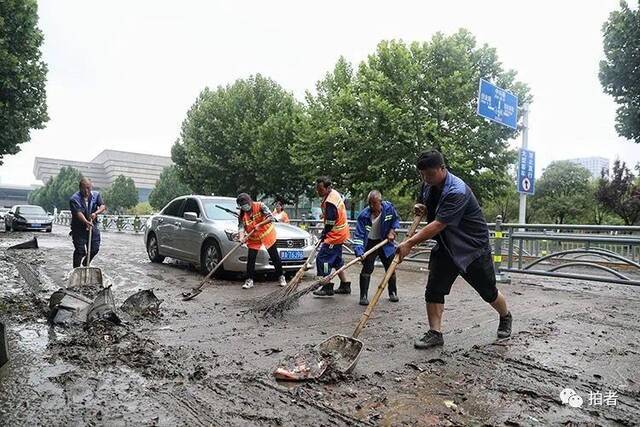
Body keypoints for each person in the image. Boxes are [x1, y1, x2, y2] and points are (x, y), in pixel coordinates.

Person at [396, 149, 512, 349]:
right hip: (447, 248)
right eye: (422, 175)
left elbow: (438, 225)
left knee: (488, 292)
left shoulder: (457, 191)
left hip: (472, 249)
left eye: (430, 174)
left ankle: (505, 316)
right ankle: (435, 333)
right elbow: (423, 199)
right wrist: (419, 205)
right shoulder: (427, 183)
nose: (426, 178)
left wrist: (409, 243)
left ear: (442, 168)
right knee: (433, 289)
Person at [352, 190, 401, 305]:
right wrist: (359, 251)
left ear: (380, 201)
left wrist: (392, 231)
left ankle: (392, 292)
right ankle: (363, 296)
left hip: (385, 243)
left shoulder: (389, 209)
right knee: (367, 270)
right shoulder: (363, 216)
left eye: (374, 203)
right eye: (370, 203)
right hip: (370, 243)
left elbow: (396, 220)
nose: (372, 206)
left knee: (391, 268)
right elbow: (358, 236)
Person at [236, 193, 287, 289]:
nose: (245, 207)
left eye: (245, 204)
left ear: (250, 201)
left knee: (274, 256)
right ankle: (249, 280)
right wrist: (241, 238)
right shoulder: (242, 213)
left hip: (267, 234)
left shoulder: (260, 206)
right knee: (251, 258)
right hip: (254, 237)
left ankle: (281, 277)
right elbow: (241, 227)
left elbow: (271, 217)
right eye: (242, 206)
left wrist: (260, 224)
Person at [312, 176, 351, 296]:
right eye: (317, 189)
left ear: (328, 188)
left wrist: (324, 234)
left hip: (335, 235)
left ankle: (327, 285)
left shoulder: (330, 202)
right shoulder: (333, 194)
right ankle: (345, 285)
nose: (318, 192)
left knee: (323, 259)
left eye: (320, 189)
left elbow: (330, 221)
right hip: (340, 232)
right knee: (337, 260)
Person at [69, 177, 106, 268]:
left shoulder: (96, 195)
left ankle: (86, 263)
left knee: (95, 248)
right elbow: (78, 213)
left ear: (91, 187)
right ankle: (76, 270)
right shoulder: (74, 199)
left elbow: (102, 206)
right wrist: (85, 221)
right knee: (80, 251)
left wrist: (95, 213)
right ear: (80, 188)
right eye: (84, 188)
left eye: (89, 188)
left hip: (92, 226)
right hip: (79, 229)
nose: (87, 191)